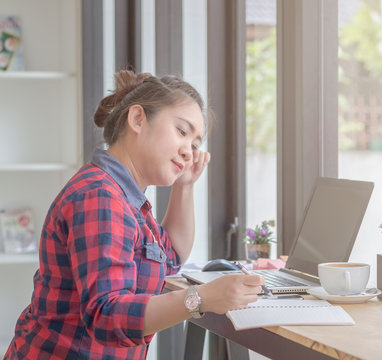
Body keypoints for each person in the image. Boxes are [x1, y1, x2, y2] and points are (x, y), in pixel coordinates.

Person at [3, 70, 264, 359]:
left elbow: (171, 256)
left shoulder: (125, 199)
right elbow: (107, 316)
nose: (189, 151)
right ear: (138, 119)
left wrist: (185, 186)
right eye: (181, 131)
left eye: (195, 144)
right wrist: (201, 298)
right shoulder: (100, 197)